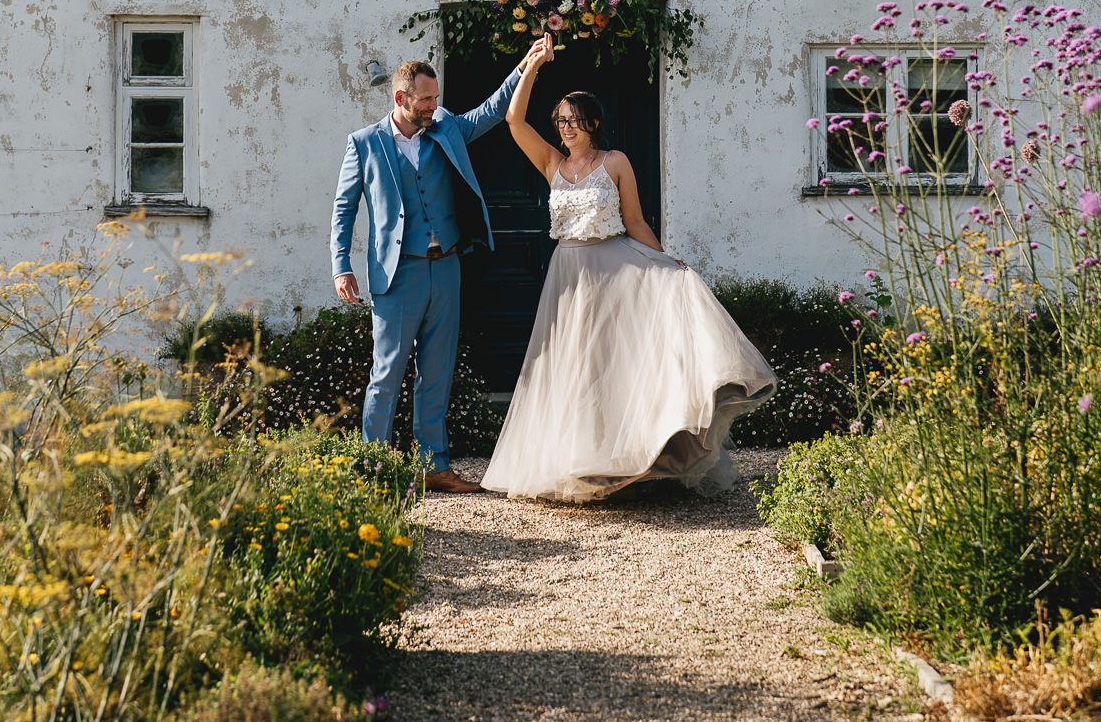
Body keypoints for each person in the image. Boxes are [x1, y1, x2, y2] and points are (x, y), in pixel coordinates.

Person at [480, 34, 777, 501]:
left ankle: (631, 461)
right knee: (573, 368)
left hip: (616, 271)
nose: (566, 129)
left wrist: (665, 264)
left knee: (614, 367)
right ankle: (582, 463)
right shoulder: (552, 163)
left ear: (594, 123)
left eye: (574, 121)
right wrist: (532, 65)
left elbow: (635, 221)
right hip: (569, 276)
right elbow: (513, 119)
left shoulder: (615, 162)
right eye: (561, 122)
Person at [330, 57, 523, 493]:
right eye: (427, 99)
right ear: (401, 98)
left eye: (436, 98)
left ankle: (432, 465)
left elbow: (491, 110)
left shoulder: (445, 127)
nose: (435, 105)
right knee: (387, 375)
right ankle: (373, 470)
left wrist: (524, 67)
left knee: (436, 373)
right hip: (398, 275)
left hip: (447, 267)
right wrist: (341, 265)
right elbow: (343, 210)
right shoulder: (364, 144)